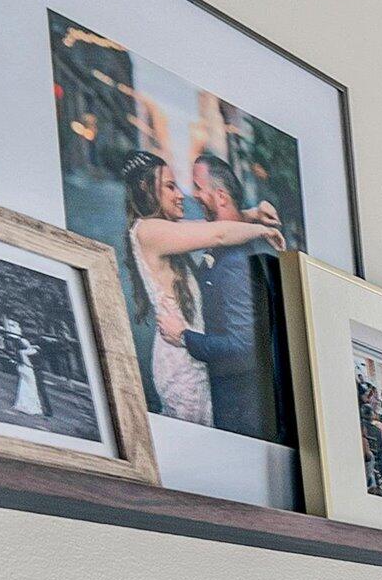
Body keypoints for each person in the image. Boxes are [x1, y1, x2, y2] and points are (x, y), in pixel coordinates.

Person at [112, 151, 277, 425]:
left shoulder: (162, 229)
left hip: (189, 353)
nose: (181, 195)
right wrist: (264, 231)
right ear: (146, 188)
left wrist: (254, 215)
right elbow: (219, 233)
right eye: (170, 186)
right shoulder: (147, 230)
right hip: (180, 359)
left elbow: (210, 225)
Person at [182, 152, 285, 438]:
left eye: (198, 188)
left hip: (239, 409)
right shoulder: (228, 241)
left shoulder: (236, 263)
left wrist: (184, 337)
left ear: (221, 196)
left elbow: (243, 345)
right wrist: (250, 214)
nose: (194, 195)